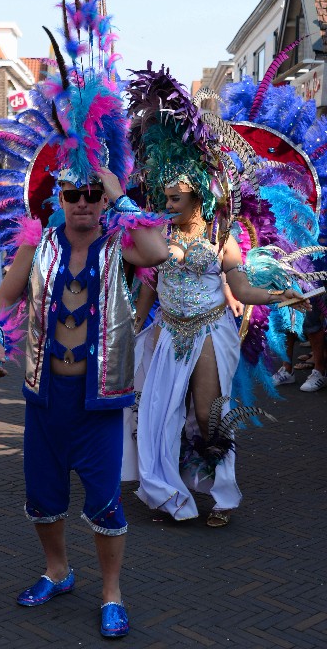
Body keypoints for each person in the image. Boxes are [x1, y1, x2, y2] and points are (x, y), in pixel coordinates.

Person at [124, 64, 314, 529]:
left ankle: (220, 494)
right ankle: (169, 493)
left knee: (208, 415)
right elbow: (147, 283)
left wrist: (283, 294)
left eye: (175, 199)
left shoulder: (222, 237)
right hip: (168, 333)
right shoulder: (156, 235)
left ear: (197, 199)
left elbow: (242, 288)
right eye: (164, 197)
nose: (167, 205)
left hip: (210, 330)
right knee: (162, 415)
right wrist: (131, 328)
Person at [0, 168, 168, 637]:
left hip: (99, 402)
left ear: (102, 199)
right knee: (43, 498)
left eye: (92, 194)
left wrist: (118, 193)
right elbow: (4, 297)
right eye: (73, 194)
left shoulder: (118, 243)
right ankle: (58, 571)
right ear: (59, 198)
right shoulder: (37, 244)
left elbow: (159, 252)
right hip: (46, 398)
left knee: (106, 503)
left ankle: (111, 593)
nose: (83, 202)